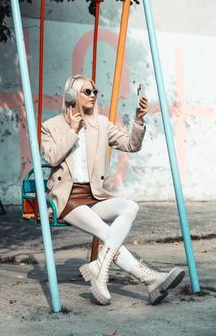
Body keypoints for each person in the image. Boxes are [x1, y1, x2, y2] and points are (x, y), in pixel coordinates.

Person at [41, 74, 185, 306]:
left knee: (130, 206)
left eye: (95, 92)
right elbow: (51, 157)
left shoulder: (101, 124)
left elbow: (131, 145)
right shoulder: (51, 127)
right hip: (67, 198)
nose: (93, 96)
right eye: (87, 91)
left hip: (94, 195)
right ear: (72, 95)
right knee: (107, 233)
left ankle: (101, 268)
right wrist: (74, 129)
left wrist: (138, 121)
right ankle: (149, 278)